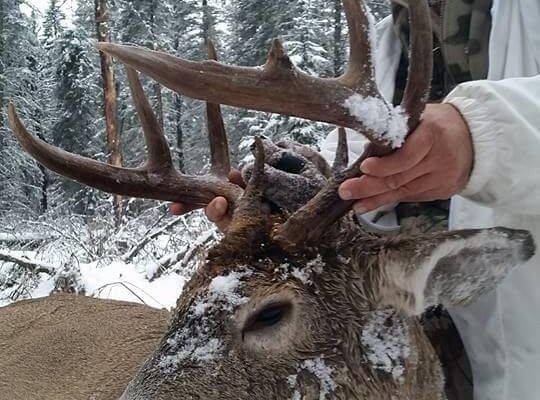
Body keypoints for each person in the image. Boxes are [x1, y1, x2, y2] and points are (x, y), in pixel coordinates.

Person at [171, 1, 540, 399]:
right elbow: (366, 152)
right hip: (422, 335)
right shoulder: (392, 36)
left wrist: (484, 134)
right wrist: (301, 186)